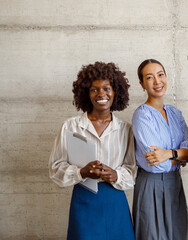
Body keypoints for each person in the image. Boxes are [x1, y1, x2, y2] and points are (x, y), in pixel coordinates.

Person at [49, 62, 136, 240]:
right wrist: (81, 171)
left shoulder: (126, 129)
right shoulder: (70, 126)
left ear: (115, 92)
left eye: (106, 88)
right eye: (94, 90)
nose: (101, 94)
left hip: (115, 200)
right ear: (86, 94)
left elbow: (132, 170)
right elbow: (55, 168)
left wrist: (116, 175)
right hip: (84, 199)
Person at [131, 59, 188, 240]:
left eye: (160, 74)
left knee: (177, 235)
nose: (157, 81)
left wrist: (169, 154)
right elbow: (155, 165)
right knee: (152, 235)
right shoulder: (142, 115)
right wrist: (181, 156)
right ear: (142, 84)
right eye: (149, 77)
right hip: (150, 184)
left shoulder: (175, 113)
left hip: (174, 184)